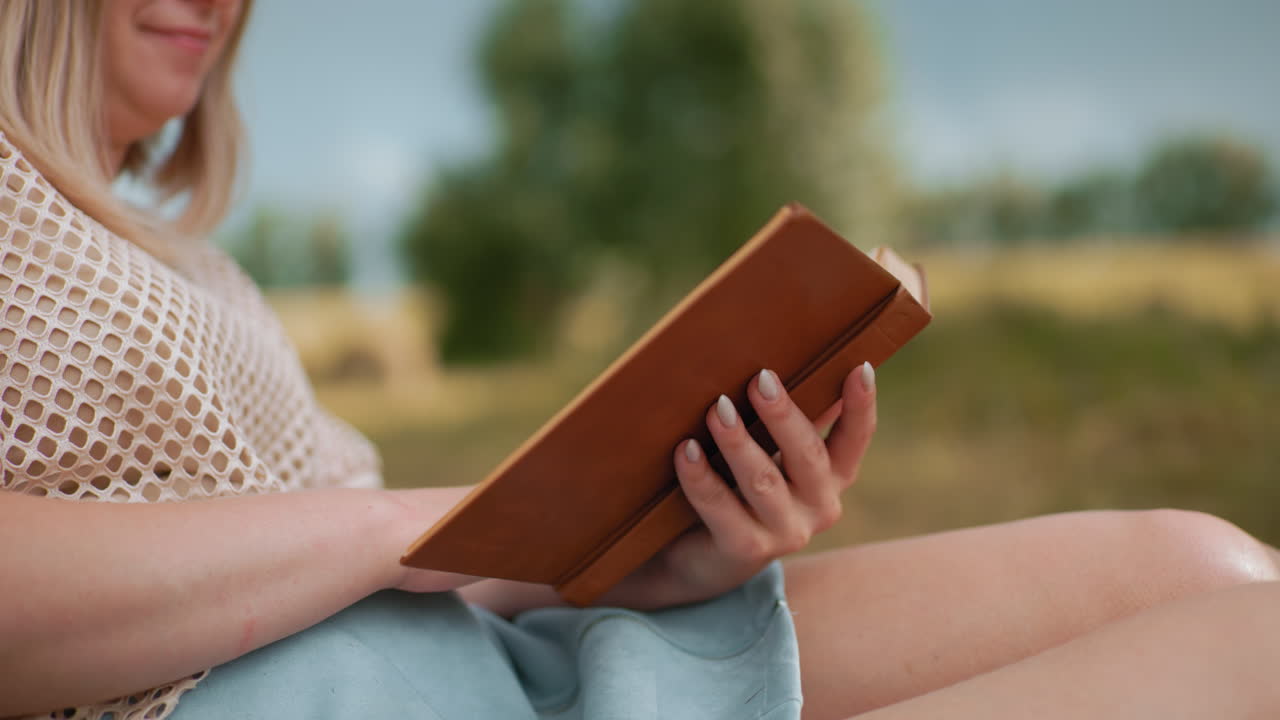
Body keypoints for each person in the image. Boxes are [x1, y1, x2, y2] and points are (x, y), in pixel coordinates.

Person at [2, 2, 1279, 719]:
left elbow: (386, 575)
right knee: (1252, 657)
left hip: (489, 668)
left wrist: (638, 547)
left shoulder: (190, 256)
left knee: (1202, 564)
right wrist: (406, 522)